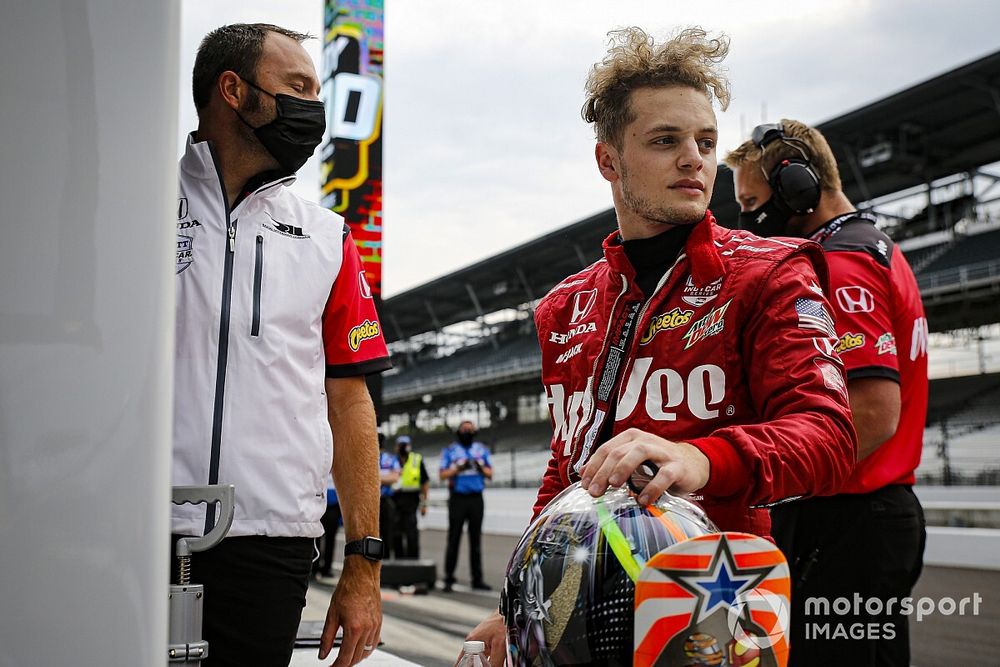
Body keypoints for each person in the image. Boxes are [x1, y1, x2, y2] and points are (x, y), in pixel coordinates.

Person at [464, 26, 857, 664]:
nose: (694, 160)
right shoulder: (565, 306)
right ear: (608, 162)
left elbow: (829, 438)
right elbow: (568, 472)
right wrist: (516, 607)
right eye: (665, 141)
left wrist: (700, 458)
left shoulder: (771, 272)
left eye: (705, 142)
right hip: (586, 616)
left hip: (718, 610)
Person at [171, 23, 391, 667]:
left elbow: (350, 401)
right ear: (233, 90)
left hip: (271, 542)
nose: (312, 110)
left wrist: (364, 564)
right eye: (296, 87)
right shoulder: (131, 204)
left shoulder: (327, 236)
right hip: (126, 526)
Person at [726, 119, 928, 667]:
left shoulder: (841, 263)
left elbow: (872, 412)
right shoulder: (874, 246)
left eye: (751, 200)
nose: (745, 217)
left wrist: (771, 481)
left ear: (798, 187)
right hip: (863, 517)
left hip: (849, 521)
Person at [439, 420, 494, 592]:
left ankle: (477, 579)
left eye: (470, 429)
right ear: (458, 432)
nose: (467, 432)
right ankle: (449, 577)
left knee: (475, 539)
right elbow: (442, 474)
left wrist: (479, 467)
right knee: (454, 538)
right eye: (464, 429)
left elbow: (490, 473)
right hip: (458, 498)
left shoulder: (481, 450)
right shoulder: (450, 451)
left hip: (476, 499)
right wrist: (458, 469)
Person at [392, 435, 430, 559]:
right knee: (395, 534)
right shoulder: (391, 461)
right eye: (400, 445)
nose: (402, 448)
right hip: (394, 502)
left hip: (411, 502)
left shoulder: (417, 460)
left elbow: (424, 483)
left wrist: (424, 504)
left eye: (405, 445)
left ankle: (413, 562)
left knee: (411, 533)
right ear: (396, 447)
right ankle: (398, 563)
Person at [315, 476, 342, 579]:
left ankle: (327, 568)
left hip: (333, 504)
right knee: (316, 536)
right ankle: (314, 566)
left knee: (330, 538)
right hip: (320, 501)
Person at [378, 434, 401, 552]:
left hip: (386, 500)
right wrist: (384, 478)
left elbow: (395, 477)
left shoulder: (390, 458)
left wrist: (374, 478)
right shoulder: (366, 458)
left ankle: (386, 561)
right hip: (371, 503)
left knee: (388, 533)